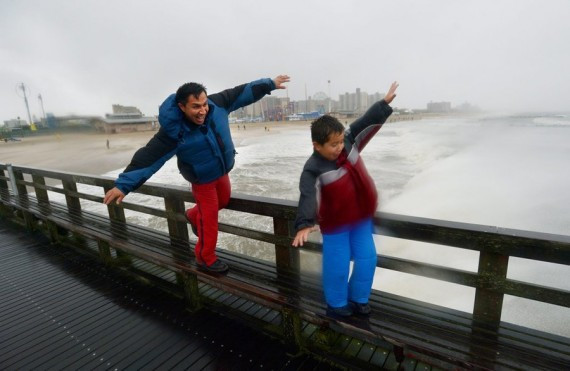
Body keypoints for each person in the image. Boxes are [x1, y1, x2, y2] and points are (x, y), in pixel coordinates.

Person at [103, 75, 290, 273]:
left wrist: (270, 84)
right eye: (195, 107)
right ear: (182, 107)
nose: (202, 111)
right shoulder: (174, 132)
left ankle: (192, 214)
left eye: (204, 104)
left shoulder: (217, 105)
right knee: (209, 221)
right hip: (202, 181)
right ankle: (205, 258)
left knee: (224, 201)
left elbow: (242, 92)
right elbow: (148, 158)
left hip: (221, 172)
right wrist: (123, 185)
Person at [292, 81, 399, 317]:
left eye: (341, 141)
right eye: (333, 145)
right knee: (338, 267)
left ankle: (359, 298)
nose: (340, 147)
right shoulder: (313, 167)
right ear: (316, 145)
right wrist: (304, 223)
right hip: (336, 225)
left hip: (361, 218)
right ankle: (337, 304)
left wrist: (383, 104)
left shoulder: (350, 142)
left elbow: (367, 122)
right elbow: (307, 195)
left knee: (367, 260)